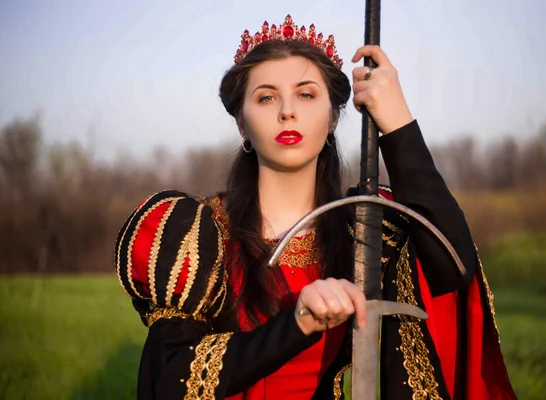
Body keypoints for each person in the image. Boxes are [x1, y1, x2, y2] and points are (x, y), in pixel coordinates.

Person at [115, 15, 516, 400]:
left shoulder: (364, 230)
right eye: (266, 96)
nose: (287, 110)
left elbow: (453, 267)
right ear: (242, 124)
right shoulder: (197, 233)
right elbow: (168, 381)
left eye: (306, 94)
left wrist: (396, 123)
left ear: (332, 118)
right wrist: (299, 323)